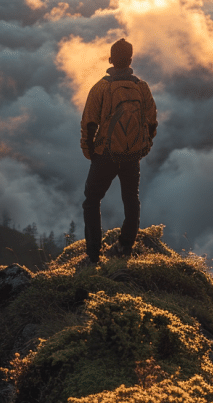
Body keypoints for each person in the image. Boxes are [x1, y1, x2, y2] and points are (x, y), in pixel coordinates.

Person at [80, 38, 158, 265]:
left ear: (111, 59)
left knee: (92, 200)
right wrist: (144, 147)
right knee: (131, 199)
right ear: (131, 60)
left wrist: (90, 152)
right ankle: (125, 246)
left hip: (105, 155)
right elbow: (151, 122)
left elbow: (89, 123)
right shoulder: (142, 87)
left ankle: (93, 256)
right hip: (132, 155)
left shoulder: (101, 87)